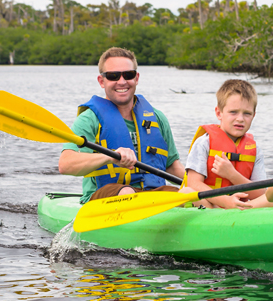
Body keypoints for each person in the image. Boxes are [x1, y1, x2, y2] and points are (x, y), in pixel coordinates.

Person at [58, 47, 185, 204]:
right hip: (105, 196)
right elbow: (65, 164)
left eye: (128, 75)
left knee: (188, 193)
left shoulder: (157, 118)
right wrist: (109, 156)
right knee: (127, 192)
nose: (122, 81)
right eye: (113, 76)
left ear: (136, 78)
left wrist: (202, 185)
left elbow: (172, 166)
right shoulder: (88, 120)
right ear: (101, 81)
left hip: (151, 194)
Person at [185, 79, 271, 209]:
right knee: (187, 192)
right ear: (219, 113)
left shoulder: (255, 149)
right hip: (210, 205)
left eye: (247, 113)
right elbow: (193, 183)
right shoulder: (204, 142)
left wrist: (232, 175)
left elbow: (260, 193)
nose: (240, 119)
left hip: (241, 205)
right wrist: (226, 201)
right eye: (233, 112)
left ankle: (239, 210)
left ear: (253, 115)